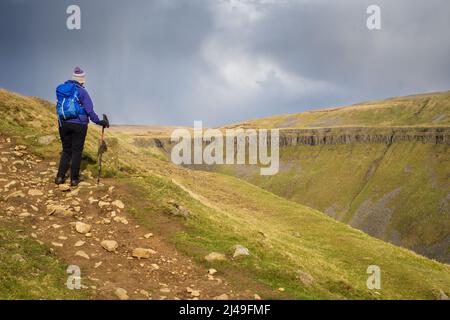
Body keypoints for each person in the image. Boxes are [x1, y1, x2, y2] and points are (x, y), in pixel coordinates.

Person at [55, 67, 109, 186]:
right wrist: (99, 122)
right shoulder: (82, 92)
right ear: (82, 79)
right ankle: (74, 179)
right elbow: (89, 110)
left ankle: (59, 177)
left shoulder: (61, 89)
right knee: (77, 151)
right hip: (79, 124)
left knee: (66, 150)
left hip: (63, 123)